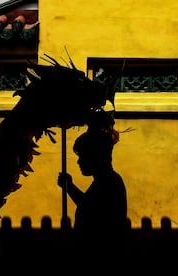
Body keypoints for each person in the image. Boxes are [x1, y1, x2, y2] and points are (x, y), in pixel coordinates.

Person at [57, 113, 128, 267]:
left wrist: (69, 187)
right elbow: (88, 205)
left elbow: (93, 210)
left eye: (83, 156)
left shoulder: (110, 183)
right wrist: (69, 187)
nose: (79, 161)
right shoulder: (104, 182)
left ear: (96, 157)